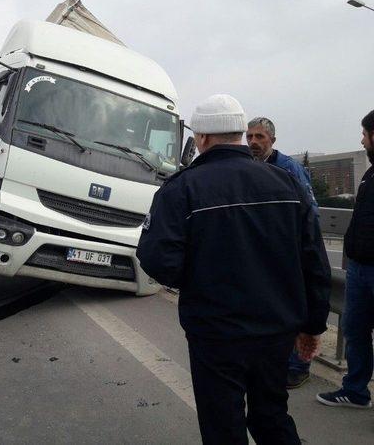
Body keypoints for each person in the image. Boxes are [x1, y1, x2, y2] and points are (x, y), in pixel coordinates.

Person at [137, 94, 330, 445]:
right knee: (271, 415)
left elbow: (156, 258)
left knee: (222, 423)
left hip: (215, 332)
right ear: (241, 134)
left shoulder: (182, 188)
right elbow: (314, 260)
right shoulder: (287, 185)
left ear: (203, 139)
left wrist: (198, 282)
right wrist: (313, 325)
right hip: (276, 330)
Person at [247, 116, 319, 389]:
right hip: (264, 253)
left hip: (291, 253)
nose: (253, 142)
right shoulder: (249, 167)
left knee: (295, 309)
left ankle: (299, 366)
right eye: (250, 136)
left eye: (260, 137)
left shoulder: (289, 169)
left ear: (272, 141)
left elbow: (310, 212)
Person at [317, 110, 374, 409]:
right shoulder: (369, 174)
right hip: (359, 269)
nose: (361, 139)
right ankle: (355, 392)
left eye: (364, 134)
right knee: (355, 330)